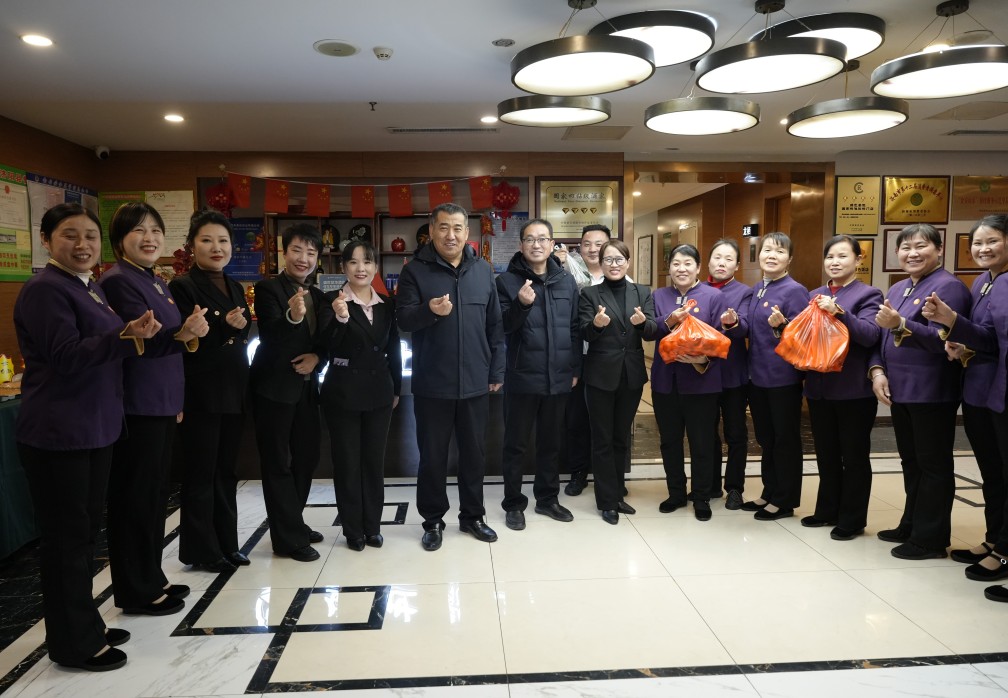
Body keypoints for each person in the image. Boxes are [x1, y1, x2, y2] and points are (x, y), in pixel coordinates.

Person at [14, 203, 162, 671]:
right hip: (60, 432)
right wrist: (123, 336)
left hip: (94, 427)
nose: (82, 245)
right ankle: (73, 643)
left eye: (90, 237)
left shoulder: (88, 286)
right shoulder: (45, 289)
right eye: (70, 235)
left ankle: (86, 626)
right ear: (46, 240)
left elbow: (104, 347)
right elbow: (65, 355)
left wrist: (130, 335)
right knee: (66, 541)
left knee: (83, 536)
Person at [99, 202, 209, 617]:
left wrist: (187, 335)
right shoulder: (118, 281)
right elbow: (140, 341)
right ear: (119, 240)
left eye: (156, 230)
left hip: (161, 401)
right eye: (139, 231)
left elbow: (172, 340)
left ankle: (151, 577)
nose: (150, 238)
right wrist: (183, 333)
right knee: (135, 498)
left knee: (154, 495)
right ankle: (136, 590)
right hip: (137, 404)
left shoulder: (154, 280)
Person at [396, 202, 505, 551]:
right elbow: (403, 320)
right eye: (443, 227)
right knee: (433, 457)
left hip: (475, 381)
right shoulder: (415, 271)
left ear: (467, 233)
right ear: (431, 230)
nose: (451, 235)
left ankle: (473, 516)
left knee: (474, 454)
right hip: (433, 383)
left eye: (458, 228)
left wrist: (496, 369)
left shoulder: (483, 270)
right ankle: (432, 520)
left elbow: (495, 325)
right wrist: (429, 311)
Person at [871, 223, 971, 559]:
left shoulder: (949, 287)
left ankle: (930, 539)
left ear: (939, 250)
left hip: (932, 391)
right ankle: (911, 524)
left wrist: (901, 324)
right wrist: (878, 371)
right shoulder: (900, 287)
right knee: (911, 461)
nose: (912, 253)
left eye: (921, 246)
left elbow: (946, 341)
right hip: (901, 389)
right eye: (906, 247)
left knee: (933, 465)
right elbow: (883, 336)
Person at [920, 215, 1008, 582]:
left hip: (1001, 391)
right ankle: (995, 539)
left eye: (992, 241)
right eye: (977, 243)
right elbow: (985, 338)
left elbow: (995, 340)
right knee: (992, 472)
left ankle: (1005, 553)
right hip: (979, 391)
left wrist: (952, 319)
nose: (983, 249)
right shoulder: (984, 282)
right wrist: (960, 341)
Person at [169, 210, 252, 573]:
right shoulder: (183, 287)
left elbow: (241, 333)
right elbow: (185, 342)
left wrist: (237, 327)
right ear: (192, 245)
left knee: (226, 471)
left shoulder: (235, 286)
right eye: (207, 240)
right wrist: (225, 330)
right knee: (201, 473)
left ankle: (227, 544)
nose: (216, 247)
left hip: (234, 389)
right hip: (201, 392)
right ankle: (202, 550)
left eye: (223, 241)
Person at [249, 223, 332, 563]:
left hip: (307, 390)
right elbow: (270, 335)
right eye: (297, 250)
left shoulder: (320, 296)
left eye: (311, 253)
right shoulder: (268, 289)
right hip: (273, 390)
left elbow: (325, 341)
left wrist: (318, 358)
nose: (303, 258)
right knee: (277, 463)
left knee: (306, 457)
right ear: (285, 253)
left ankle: (291, 522)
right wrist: (293, 317)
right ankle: (287, 538)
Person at [495, 219, 580, 530]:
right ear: (521, 245)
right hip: (522, 375)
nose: (536, 244)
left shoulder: (566, 281)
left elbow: (574, 328)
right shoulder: (506, 282)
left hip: (558, 376)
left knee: (550, 443)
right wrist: (521, 304)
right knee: (515, 444)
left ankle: (547, 499)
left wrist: (574, 368)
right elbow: (502, 327)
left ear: (552, 244)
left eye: (543, 239)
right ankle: (513, 504)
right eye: (530, 239)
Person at [801, 235, 883, 541]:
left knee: (854, 455)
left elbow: (870, 335)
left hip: (853, 390)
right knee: (826, 453)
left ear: (858, 259)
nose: (834, 262)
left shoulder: (868, 294)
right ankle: (827, 510)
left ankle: (852, 518)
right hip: (819, 387)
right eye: (830, 257)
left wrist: (839, 313)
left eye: (842, 256)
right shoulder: (815, 294)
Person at [322, 240, 402, 550]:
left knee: (373, 462)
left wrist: (397, 387)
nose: (361, 268)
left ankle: (373, 526)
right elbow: (325, 345)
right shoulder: (331, 300)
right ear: (343, 267)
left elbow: (393, 348)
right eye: (353, 262)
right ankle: (353, 529)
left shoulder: (386, 304)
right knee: (347, 462)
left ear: (376, 267)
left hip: (379, 391)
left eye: (367, 262)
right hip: (342, 391)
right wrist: (341, 319)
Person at [723, 232, 808, 521]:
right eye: (767, 250)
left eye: (779, 251)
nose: (772, 256)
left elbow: (803, 336)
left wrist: (784, 326)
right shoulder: (759, 288)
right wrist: (733, 323)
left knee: (785, 440)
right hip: (757, 376)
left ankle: (784, 500)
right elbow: (747, 328)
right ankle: (770, 491)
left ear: (790, 259)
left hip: (783, 378)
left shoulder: (795, 290)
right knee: (766, 439)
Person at [579, 238, 656, 524]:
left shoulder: (642, 291)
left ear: (628, 262)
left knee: (621, 437)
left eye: (619, 259)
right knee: (602, 439)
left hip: (631, 375)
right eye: (608, 259)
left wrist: (642, 324)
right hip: (600, 375)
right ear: (601, 263)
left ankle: (617, 493)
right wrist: (596, 326)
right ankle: (607, 501)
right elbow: (583, 332)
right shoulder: (589, 293)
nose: (614, 264)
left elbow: (652, 330)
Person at [648, 244, 727, 521]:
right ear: (669, 268)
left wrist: (703, 360)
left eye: (687, 263)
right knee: (669, 441)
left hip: (702, 383)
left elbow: (721, 339)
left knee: (701, 442)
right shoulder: (659, 296)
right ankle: (676, 493)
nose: (681, 269)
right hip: (665, 382)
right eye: (676, 264)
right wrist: (669, 320)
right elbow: (650, 330)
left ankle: (701, 496)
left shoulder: (714, 296)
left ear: (698, 267)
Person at [557, 224, 615, 497]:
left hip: (608, 360)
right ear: (578, 247)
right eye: (587, 244)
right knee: (576, 419)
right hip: (578, 356)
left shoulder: (619, 275)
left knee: (607, 422)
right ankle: (578, 472)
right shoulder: (566, 273)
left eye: (599, 244)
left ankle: (610, 477)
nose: (593, 249)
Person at [704, 239, 752, 510]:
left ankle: (734, 487)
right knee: (706, 432)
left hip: (733, 373)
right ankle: (710, 484)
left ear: (737, 265)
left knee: (735, 433)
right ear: (708, 261)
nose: (721, 263)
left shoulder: (744, 292)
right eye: (717, 257)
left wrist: (732, 323)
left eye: (728, 259)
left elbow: (744, 328)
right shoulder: (698, 289)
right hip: (703, 374)